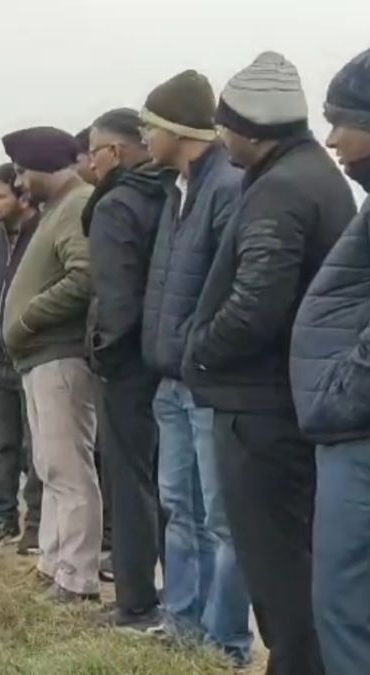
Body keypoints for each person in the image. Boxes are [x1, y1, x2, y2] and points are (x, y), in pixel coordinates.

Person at [185, 52, 354, 675]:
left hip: (260, 412)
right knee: (296, 569)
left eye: (225, 125)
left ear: (250, 130)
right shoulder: (307, 176)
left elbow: (257, 303)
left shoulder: (282, 188)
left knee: (281, 576)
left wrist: (200, 350)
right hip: (279, 405)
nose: (220, 135)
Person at [139, 70, 252, 663]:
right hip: (171, 380)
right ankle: (182, 624)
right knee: (180, 509)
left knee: (223, 518)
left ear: (176, 129)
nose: (144, 136)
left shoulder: (227, 188)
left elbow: (235, 286)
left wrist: (200, 354)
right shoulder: (176, 190)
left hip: (207, 382)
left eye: (150, 126)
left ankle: (227, 641)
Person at [290, 46, 370, 675]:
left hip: (358, 429)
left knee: (345, 606)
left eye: (343, 118)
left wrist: (343, 388)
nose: (332, 137)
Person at [1, 126, 100, 603]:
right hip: (40, 357)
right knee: (49, 466)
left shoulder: (79, 205)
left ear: (43, 165)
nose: (19, 183)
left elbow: (86, 278)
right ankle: (53, 563)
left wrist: (27, 317)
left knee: (69, 469)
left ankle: (77, 579)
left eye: (22, 172)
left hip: (60, 355)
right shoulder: (56, 210)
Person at [82, 108, 167, 628]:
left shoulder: (118, 206)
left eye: (93, 151)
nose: (88, 162)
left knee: (129, 480)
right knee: (168, 483)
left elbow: (115, 297)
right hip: (165, 356)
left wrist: (103, 353)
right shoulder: (173, 193)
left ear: (115, 153)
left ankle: (135, 602)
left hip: (127, 364)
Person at [0, 165, 44, 552]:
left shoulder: (42, 235)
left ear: (22, 198)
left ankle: (35, 524)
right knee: (2, 443)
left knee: (36, 448)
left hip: (31, 356)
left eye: (1, 196)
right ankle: (3, 516)